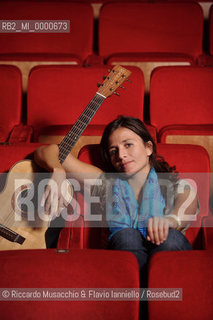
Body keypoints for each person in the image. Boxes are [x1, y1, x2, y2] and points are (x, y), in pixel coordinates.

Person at [34, 116, 198, 279]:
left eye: (128, 145)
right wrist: (58, 170)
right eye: (114, 151)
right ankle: (134, 302)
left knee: (169, 238)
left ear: (148, 148)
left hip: (170, 267)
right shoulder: (106, 183)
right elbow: (46, 150)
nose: (121, 155)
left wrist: (170, 220)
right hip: (124, 268)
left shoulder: (174, 184)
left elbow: (187, 203)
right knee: (127, 237)